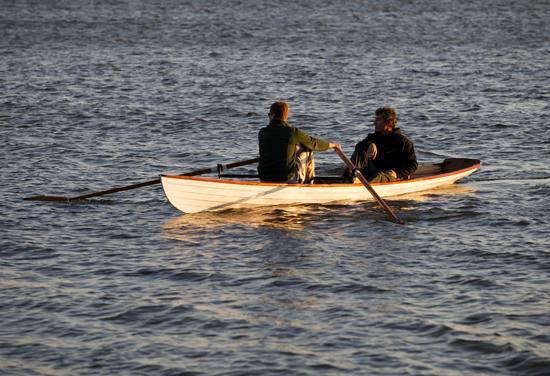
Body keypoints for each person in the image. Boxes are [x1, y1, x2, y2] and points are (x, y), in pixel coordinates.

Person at [258, 101, 341, 183]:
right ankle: (310, 183)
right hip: (286, 178)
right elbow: (314, 143)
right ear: (285, 116)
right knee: (308, 149)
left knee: (296, 149)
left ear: (273, 115)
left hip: (264, 178)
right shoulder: (293, 132)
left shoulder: (262, 132)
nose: (268, 117)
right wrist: (333, 145)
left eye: (269, 114)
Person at [344, 106, 417, 183]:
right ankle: (346, 180)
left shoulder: (404, 142)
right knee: (359, 152)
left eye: (378, 120)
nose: (374, 123)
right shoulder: (374, 137)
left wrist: (397, 173)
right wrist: (369, 144)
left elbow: (413, 165)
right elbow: (358, 147)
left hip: (390, 176)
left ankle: (362, 188)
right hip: (374, 172)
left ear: (388, 122)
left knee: (379, 175)